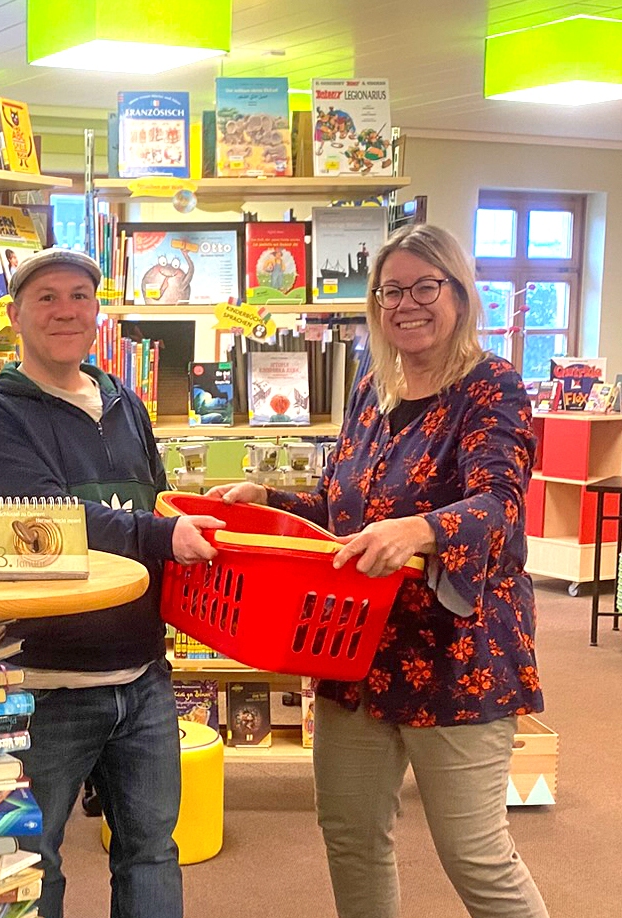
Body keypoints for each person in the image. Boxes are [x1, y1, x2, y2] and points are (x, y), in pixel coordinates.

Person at [207, 223, 548, 918]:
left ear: (459, 294)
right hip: (353, 646)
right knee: (352, 837)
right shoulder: (373, 389)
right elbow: (343, 508)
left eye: (425, 287)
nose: (406, 304)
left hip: (458, 654)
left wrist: (419, 530)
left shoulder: (493, 386)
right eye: (391, 291)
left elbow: (500, 504)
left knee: (476, 855)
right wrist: (267, 499)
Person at [0, 249, 224, 918]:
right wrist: (161, 535)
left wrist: (200, 517)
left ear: (97, 312)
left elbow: (154, 503)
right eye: (46, 298)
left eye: (79, 296)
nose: (65, 311)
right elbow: (42, 522)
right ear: (14, 315)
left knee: (151, 851)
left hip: (142, 675)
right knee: (31, 859)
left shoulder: (124, 402)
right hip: (42, 682)